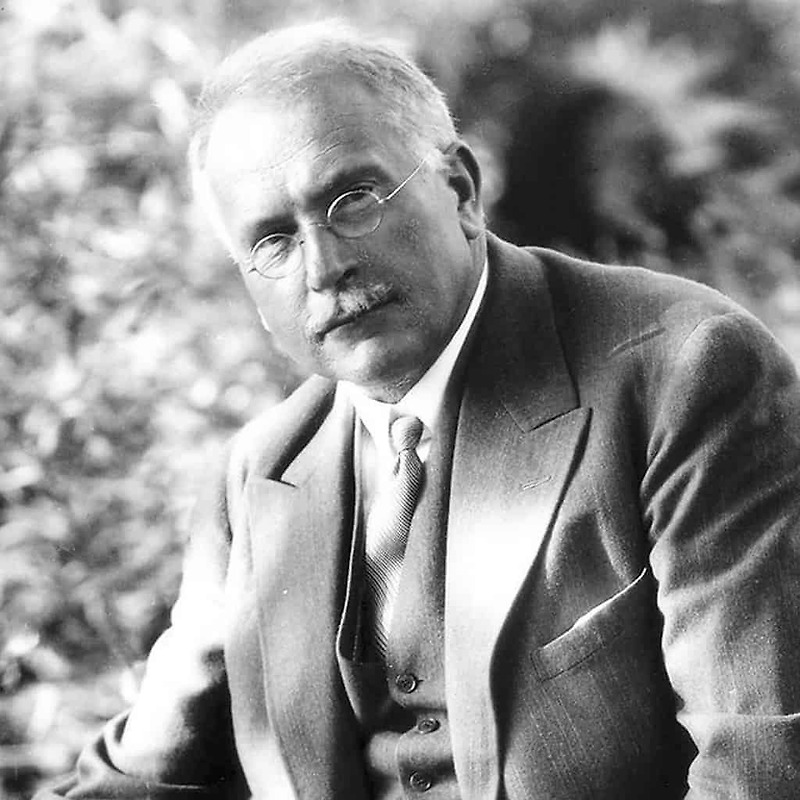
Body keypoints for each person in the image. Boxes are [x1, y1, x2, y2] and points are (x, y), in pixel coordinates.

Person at [39, 19, 800, 800]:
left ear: (461, 189)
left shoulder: (684, 373)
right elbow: (140, 774)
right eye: (272, 241)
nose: (324, 267)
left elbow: (760, 765)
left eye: (353, 200)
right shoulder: (258, 474)